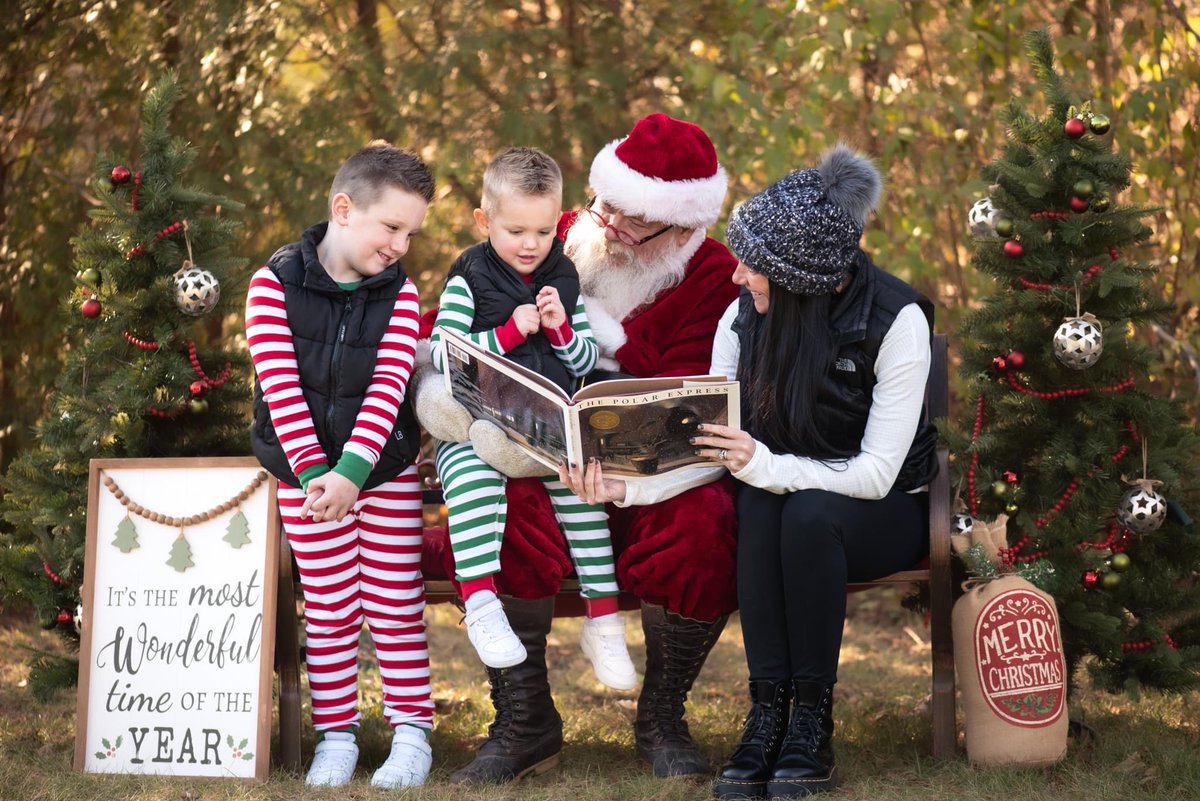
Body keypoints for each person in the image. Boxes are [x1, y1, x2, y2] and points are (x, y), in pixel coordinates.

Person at [417, 113, 741, 784]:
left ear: (682, 229)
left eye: (631, 221)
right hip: (539, 462)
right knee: (504, 510)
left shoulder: (713, 276)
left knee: (705, 524)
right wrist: (438, 379)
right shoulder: (557, 232)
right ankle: (525, 720)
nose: (607, 226)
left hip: (651, 485)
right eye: (603, 205)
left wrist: (625, 470)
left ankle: (662, 715)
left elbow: (693, 405)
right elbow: (453, 321)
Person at [699, 145, 936, 799]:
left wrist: (768, 465)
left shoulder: (895, 320)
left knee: (803, 510)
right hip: (780, 497)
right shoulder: (743, 315)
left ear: (798, 279)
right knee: (763, 502)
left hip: (883, 509)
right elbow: (713, 435)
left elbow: (877, 474)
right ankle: (767, 711)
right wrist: (626, 479)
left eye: (753, 264)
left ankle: (810, 719)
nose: (737, 274)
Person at [246, 141, 436, 789]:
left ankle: (411, 734)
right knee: (329, 609)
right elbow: (280, 387)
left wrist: (352, 473)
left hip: (382, 473)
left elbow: (388, 387)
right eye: (392, 227)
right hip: (304, 478)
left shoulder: (400, 295)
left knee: (394, 602)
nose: (400, 245)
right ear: (344, 208)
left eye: (411, 234)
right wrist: (315, 476)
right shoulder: (272, 285)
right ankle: (337, 736)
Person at [427, 147, 636, 690]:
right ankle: (481, 604)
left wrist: (562, 327)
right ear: (484, 221)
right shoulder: (469, 276)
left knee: (584, 494)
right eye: (515, 231)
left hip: (547, 427)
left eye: (543, 232)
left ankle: (603, 619)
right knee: (471, 484)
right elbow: (444, 352)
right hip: (478, 425)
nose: (530, 244)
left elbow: (585, 360)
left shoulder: (563, 277)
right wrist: (509, 332)